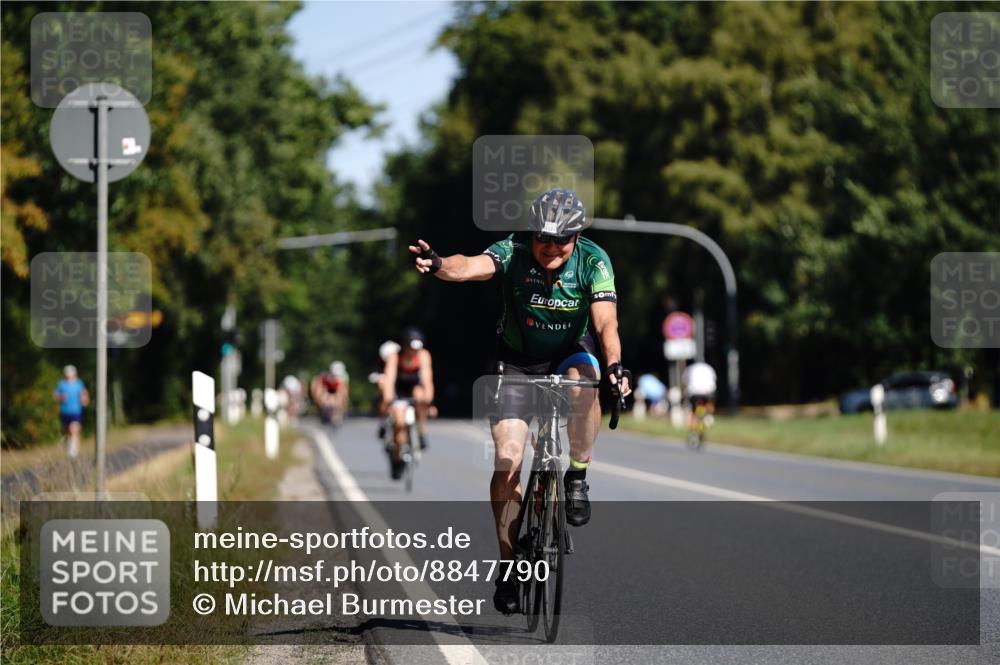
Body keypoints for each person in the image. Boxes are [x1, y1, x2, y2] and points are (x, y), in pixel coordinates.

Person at [409, 187, 631, 615]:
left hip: (570, 350)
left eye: (561, 240)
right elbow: (471, 266)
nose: (550, 247)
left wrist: (616, 366)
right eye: (542, 238)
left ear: (576, 237)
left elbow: (606, 323)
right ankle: (509, 565)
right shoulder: (513, 249)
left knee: (587, 381)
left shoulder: (594, 261)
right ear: (530, 234)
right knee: (508, 459)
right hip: (515, 360)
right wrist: (439, 264)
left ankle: (578, 475)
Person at [380, 327, 434, 479]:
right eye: (411, 348)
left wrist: (429, 401)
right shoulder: (394, 357)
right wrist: (389, 399)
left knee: (421, 396)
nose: (413, 352)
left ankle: (422, 431)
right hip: (399, 390)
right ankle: (397, 458)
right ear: (404, 346)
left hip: (414, 388)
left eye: (416, 348)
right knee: (399, 421)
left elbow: (427, 379)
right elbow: (389, 379)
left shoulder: (423, 355)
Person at [54, 365, 89, 459]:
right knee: (67, 431)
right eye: (68, 374)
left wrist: (84, 400)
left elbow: (84, 393)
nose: (69, 376)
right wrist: (61, 397)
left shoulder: (79, 383)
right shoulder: (61, 384)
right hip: (65, 411)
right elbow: (55, 396)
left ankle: (73, 451)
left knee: (74, 429)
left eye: (71, 374)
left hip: (76, 411)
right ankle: (69, 444)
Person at [682, 361, 717, 428]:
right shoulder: (709, 367)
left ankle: (693, 431)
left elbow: (684, 381)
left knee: (693, 412)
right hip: (708, 391)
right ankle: (709, 416)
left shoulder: (690, 368)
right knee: (710, 403)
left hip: (695, 392)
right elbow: (714, 379)